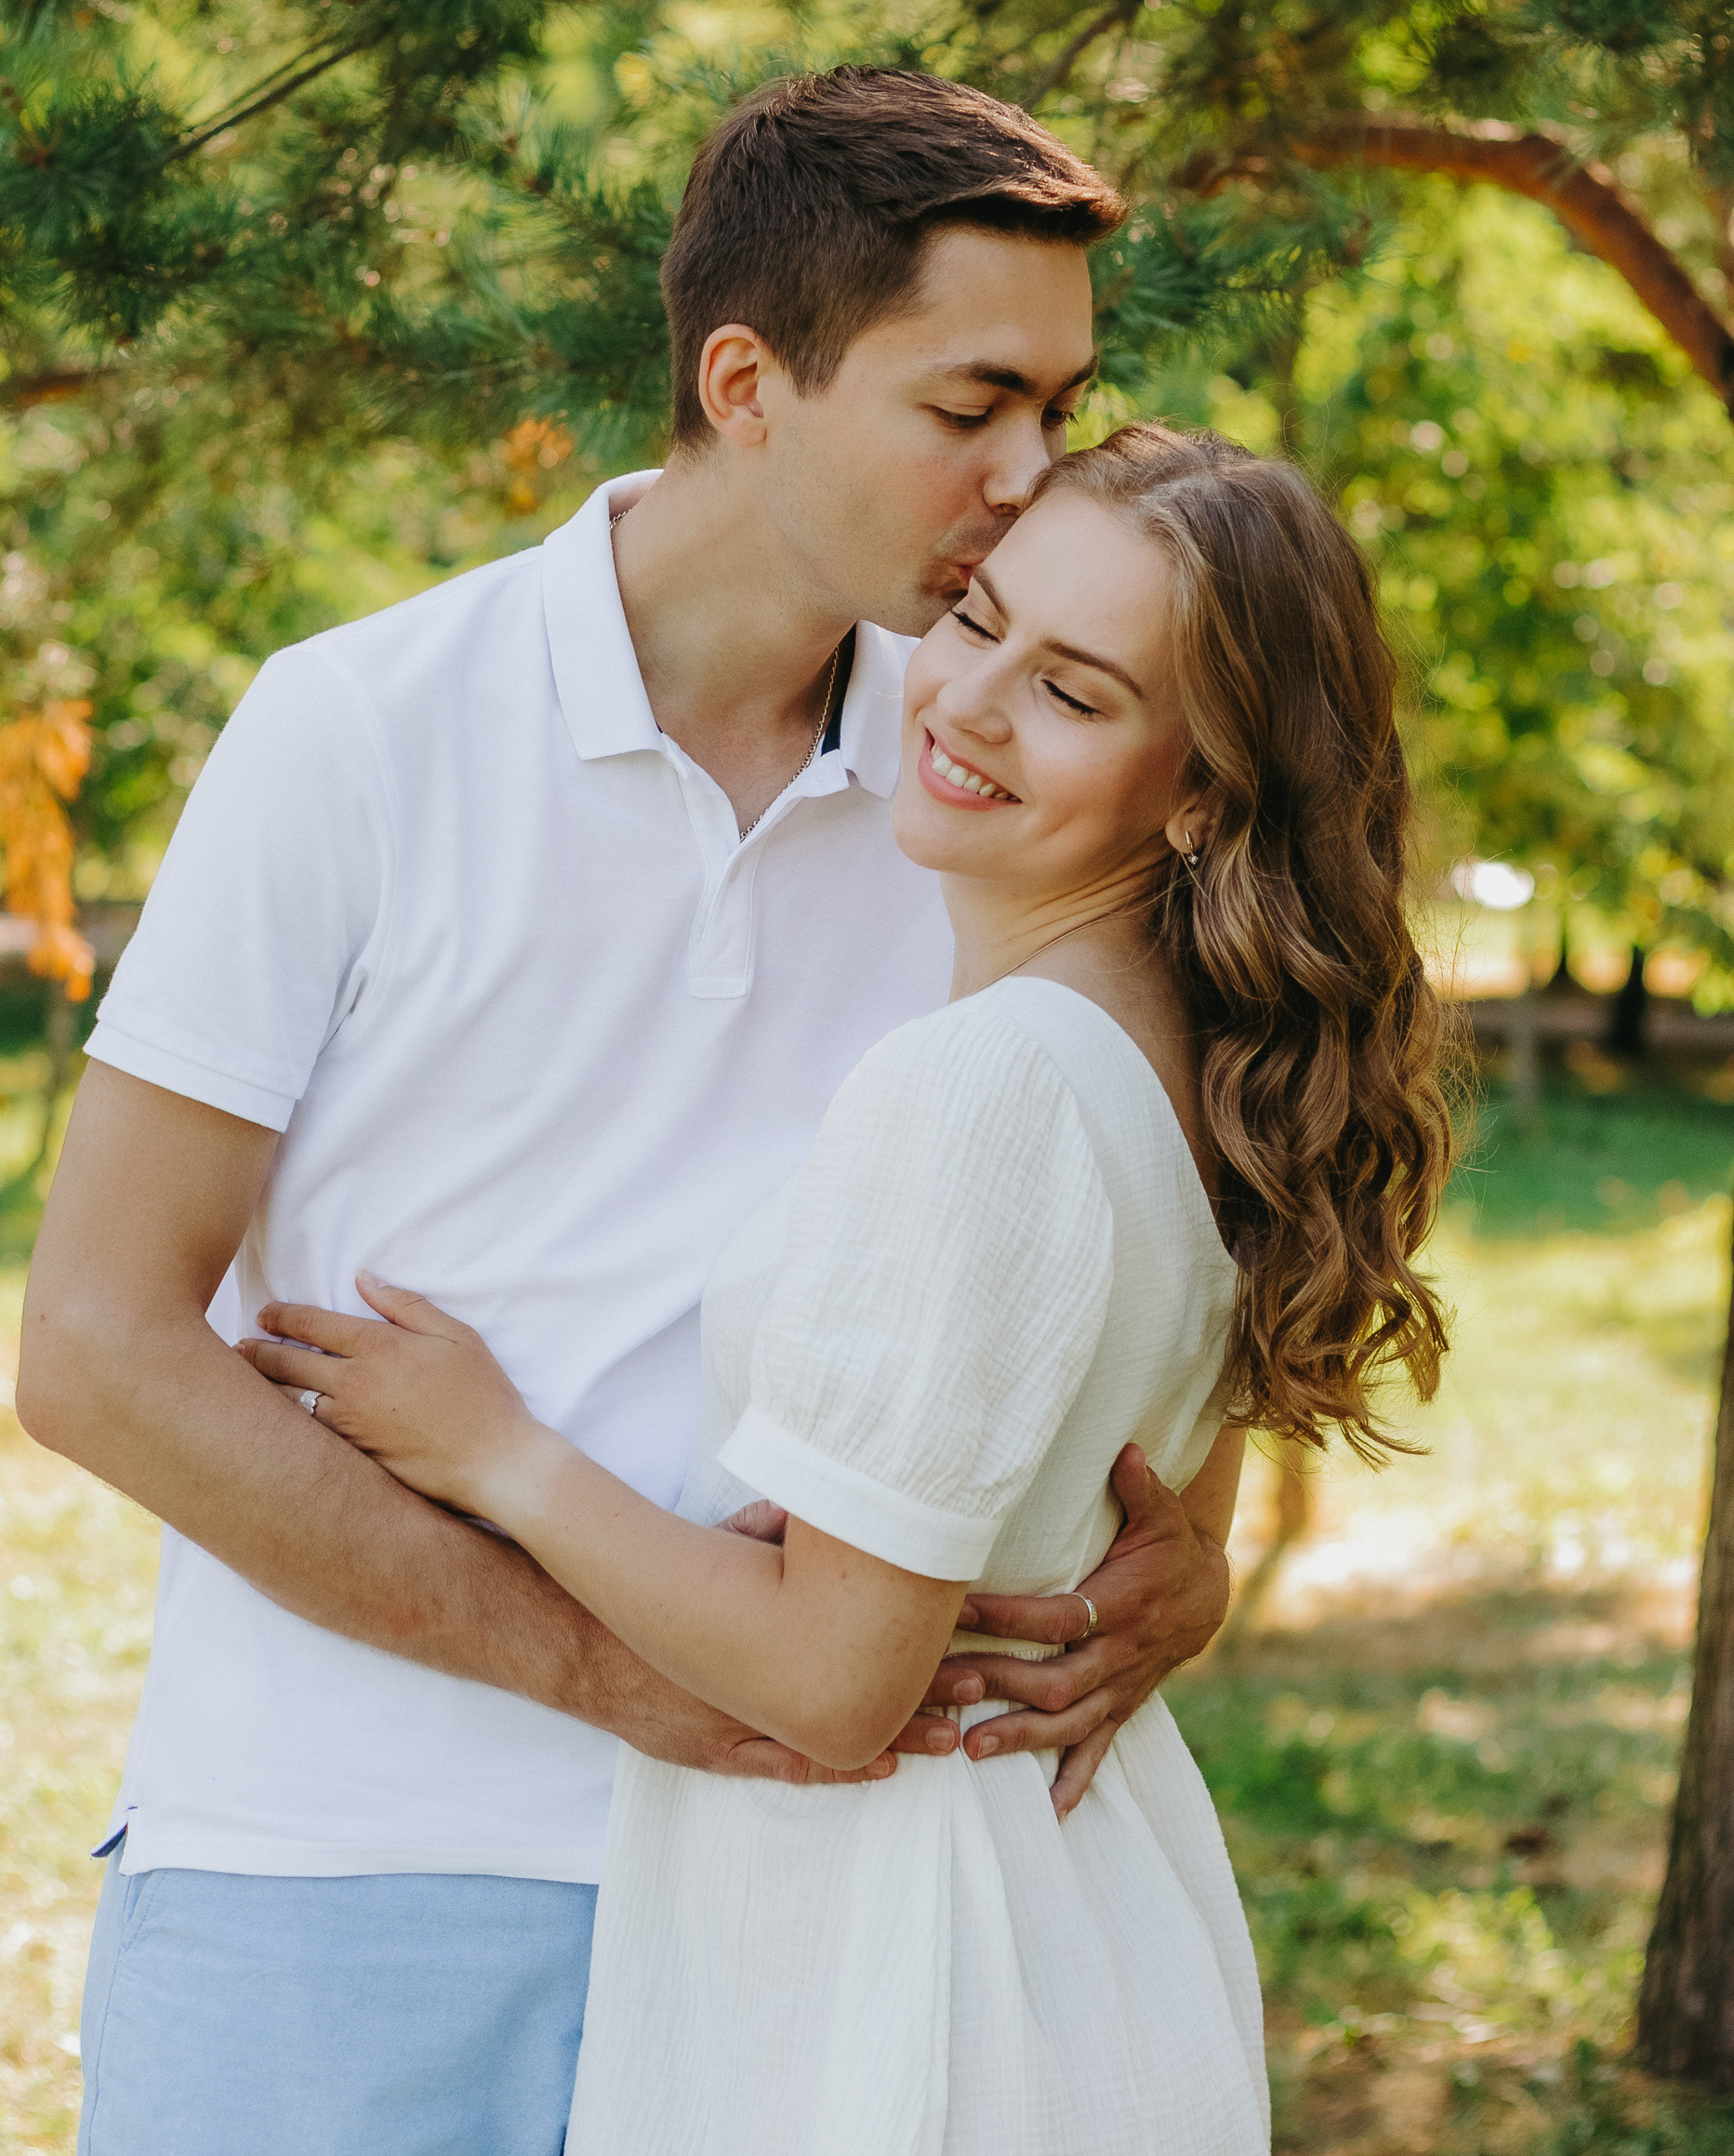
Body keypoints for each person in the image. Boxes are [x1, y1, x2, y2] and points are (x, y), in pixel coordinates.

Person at [16, 70, 1248, 2156]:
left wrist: (1185, 1554)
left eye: (1061, 403)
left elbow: (1152, 1211)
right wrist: (610, 1679)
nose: (1033, 473)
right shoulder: (357, 728)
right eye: (972, 409)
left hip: (828, 1901)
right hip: (342, 1870)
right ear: (748, 381)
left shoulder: (1006, 782)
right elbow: (99, 1353)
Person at [245, 422, 1457, 2154]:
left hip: (909, 1952)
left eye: (1077, 693)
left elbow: (833, 1682)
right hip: (1064, 1901)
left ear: (1201, 790)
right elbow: (1146, 1504)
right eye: (978, 621)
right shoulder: (1184, 1074)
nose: (963, 702)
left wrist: (493, 1452)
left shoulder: (985, 1088)